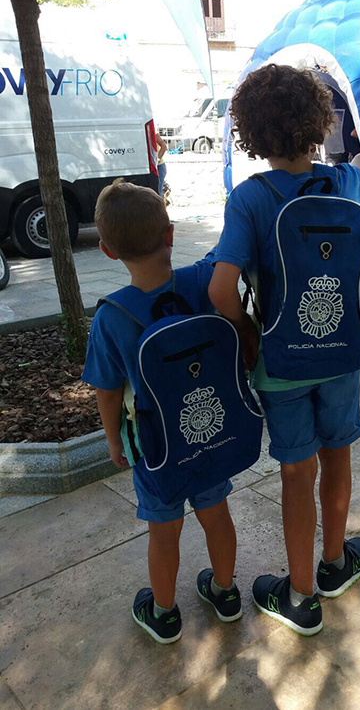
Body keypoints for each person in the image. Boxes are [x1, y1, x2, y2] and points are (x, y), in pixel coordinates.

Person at [208, 64, 360, 636]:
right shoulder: (341, 183)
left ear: (252, 132)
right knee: (338, 455)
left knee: (298, 472)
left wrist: (244, 329)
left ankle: (300, 595)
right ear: (318, 123)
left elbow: (220, 288)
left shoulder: (251, 199)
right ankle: (335, 564)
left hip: (282, 362)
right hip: (343, 351)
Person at [82, 179, 240, 644]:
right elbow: (228, 251)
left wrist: (114, 440)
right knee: (217, 515)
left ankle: (164, 612)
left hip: (155, 450)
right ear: (170, 235)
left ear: (108, 251)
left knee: (164, 529)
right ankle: (226, 592)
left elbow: (107, 392)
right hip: (209, 432)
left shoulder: (112, 317)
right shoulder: (201, 285)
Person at [156, 132, 168, 200]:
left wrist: (157, 159)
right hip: (152, 167)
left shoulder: (153, 132)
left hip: (159, 166)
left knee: (157, 193)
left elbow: (164, 146)